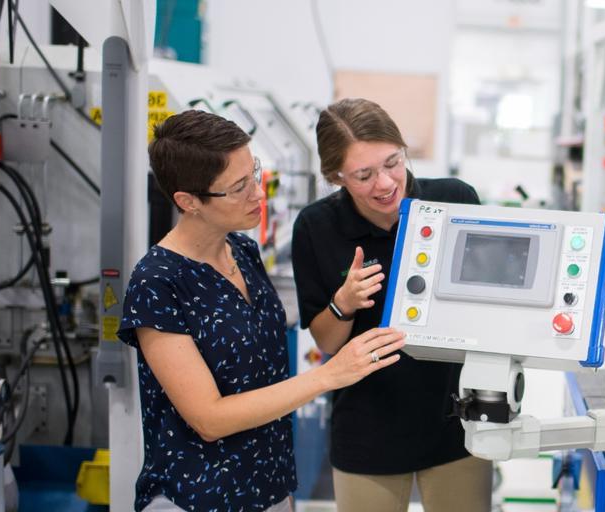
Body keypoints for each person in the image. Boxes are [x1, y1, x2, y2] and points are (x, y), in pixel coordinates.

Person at [119, 110, 407, 511]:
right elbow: (209, 419)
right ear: (188, 201)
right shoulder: (158, 283)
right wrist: (330, 375)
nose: (258, 193)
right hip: (199, 496)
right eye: (238, 187)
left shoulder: (242, 250)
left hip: (269, 488)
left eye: (254, 173)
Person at [291, 98, 492, 511]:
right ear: (336, 176)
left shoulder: (454, 199)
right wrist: (343, 303)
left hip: (454, 421)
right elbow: (326, 341)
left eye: (392, 162)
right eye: (364, 175)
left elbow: (490, 298)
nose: (385, 184)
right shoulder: (316, 227)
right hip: (368, 429)